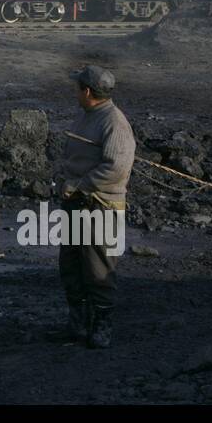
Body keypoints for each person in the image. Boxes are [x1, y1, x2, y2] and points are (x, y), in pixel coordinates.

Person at [59, 65, 135, 349]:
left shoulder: (114, 123)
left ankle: (101, 328)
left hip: (100, 207)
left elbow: (117, 168)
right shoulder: (88, 116)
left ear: (87, 91)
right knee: (71, 264)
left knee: (98, 268)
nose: (75, 91)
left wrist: (80, 184)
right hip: (77, 204)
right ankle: (78, 325)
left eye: (77, 87)